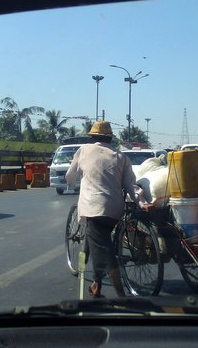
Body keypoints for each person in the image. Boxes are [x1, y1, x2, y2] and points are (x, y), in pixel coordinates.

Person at [65, 121, 138, 298]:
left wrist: (72, 183)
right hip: (115, 210)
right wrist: (140, 203)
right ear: (110, 138)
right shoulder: (121, 156)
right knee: (95, 241)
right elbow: (131, 185)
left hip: (93, 208)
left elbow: (70, 176)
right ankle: (97, 284)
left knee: (104, 249)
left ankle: (121, 294)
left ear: (92, 137)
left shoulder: (83, 150)